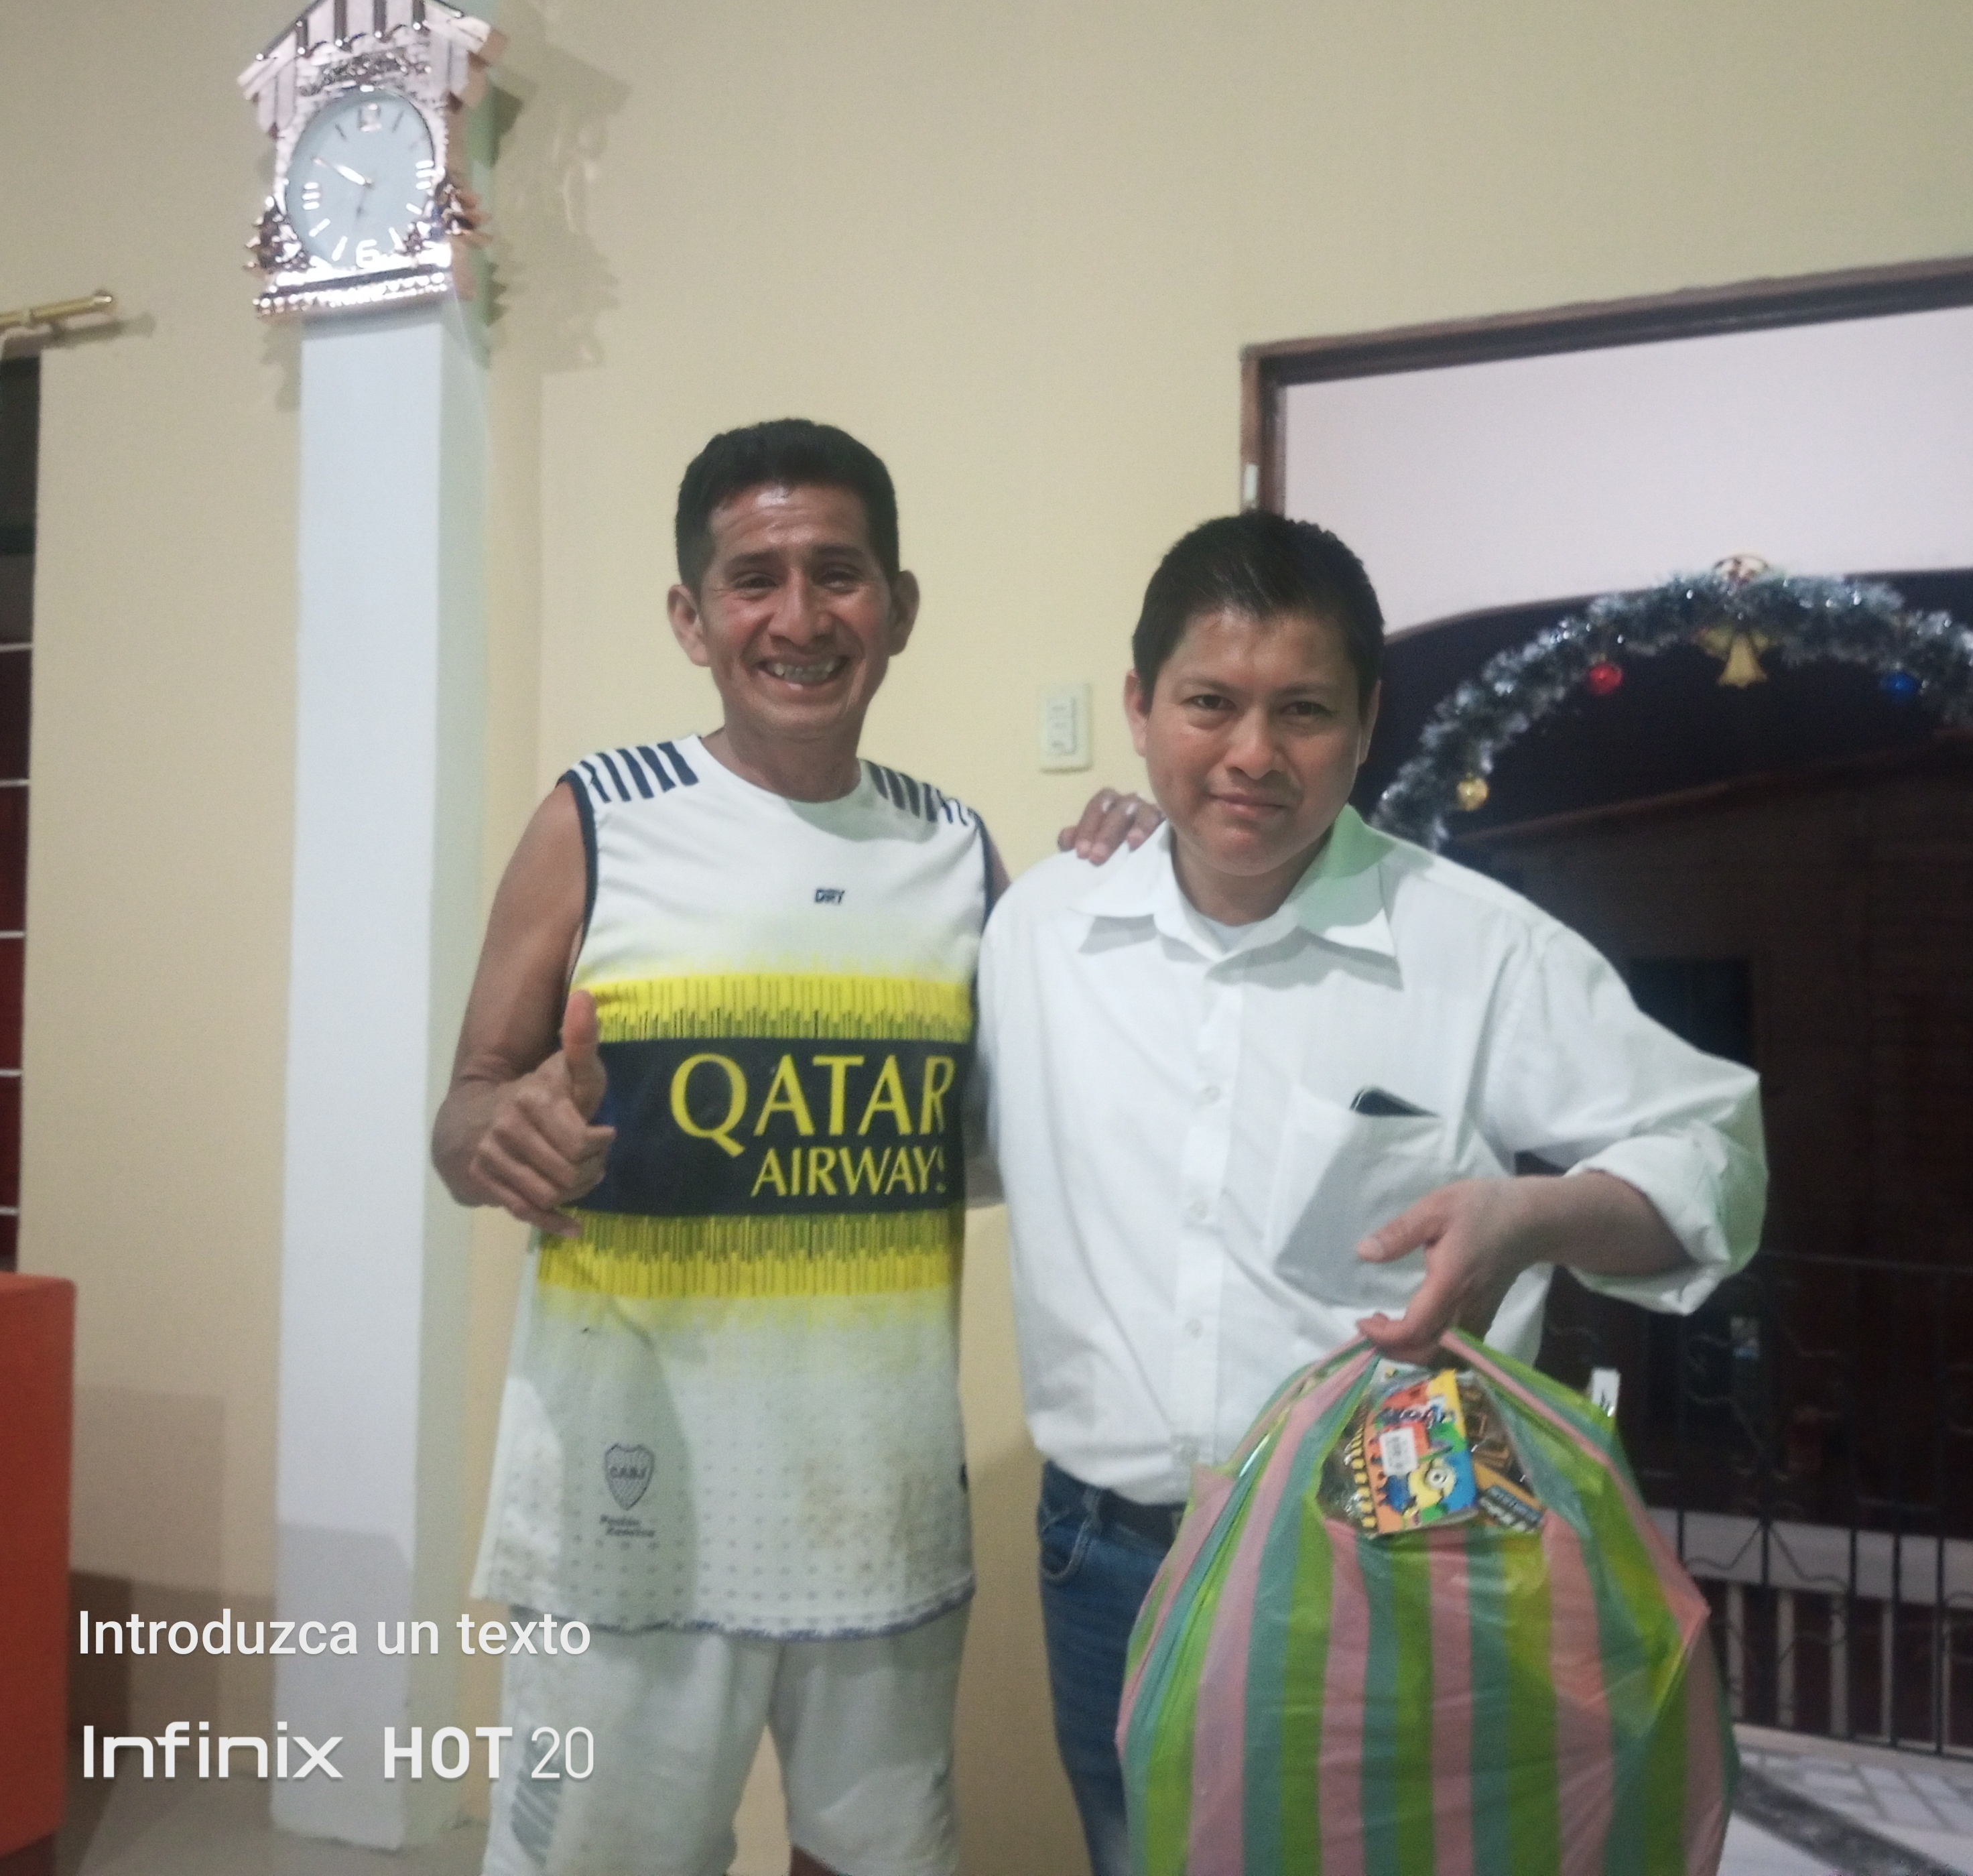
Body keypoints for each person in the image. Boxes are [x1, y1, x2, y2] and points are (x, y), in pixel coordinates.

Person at [974, 511, 1767, 1876]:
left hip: (1396, 1537)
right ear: (1138, 705)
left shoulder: (1475, 946)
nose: (1250, 754)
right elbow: (956, 1143)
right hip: (1109, 1552)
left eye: (1302, 710)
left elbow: (1714, 1155)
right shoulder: (1041, 931)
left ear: (1365, 722)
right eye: (1208, 704)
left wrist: (1532, 1217)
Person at [432, 419, 1144, 1876]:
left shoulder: (958, 854)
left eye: (839, 573)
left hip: (877, 1506)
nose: (800, 616)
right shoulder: (598, 818)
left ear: (900, 605)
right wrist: (501, 1133)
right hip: (631, 1506)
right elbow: (467, 1106)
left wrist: (1128, 882)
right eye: (753, 578)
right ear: (691, 617)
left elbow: (1010, 1131)